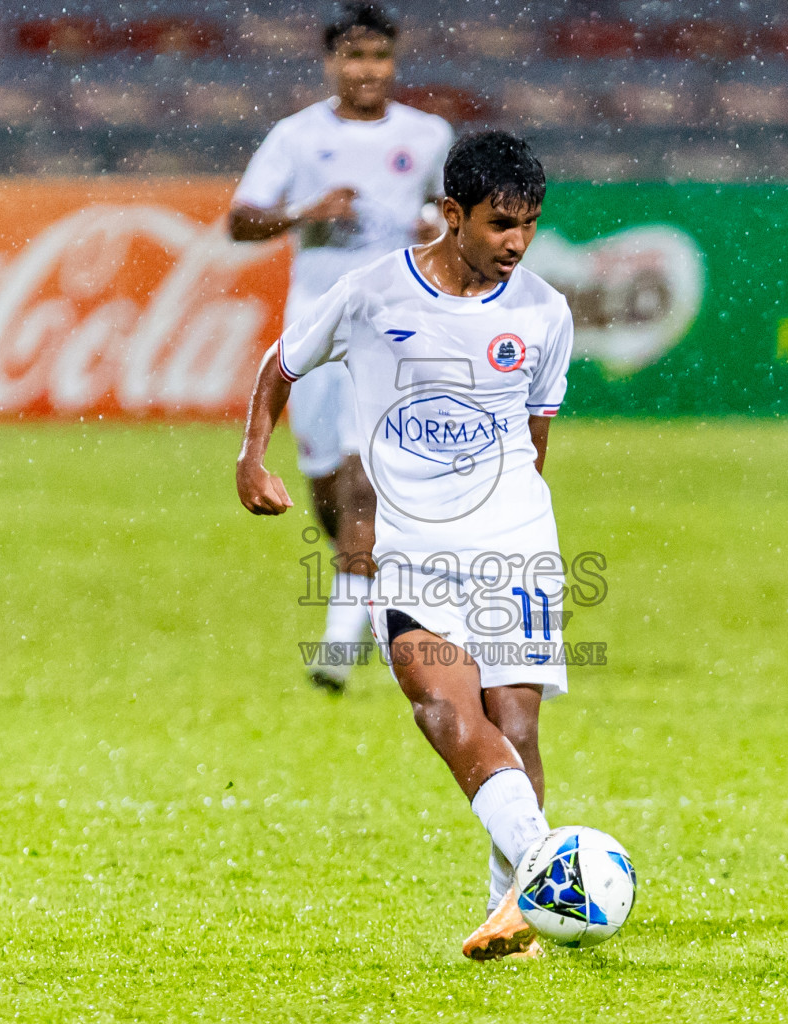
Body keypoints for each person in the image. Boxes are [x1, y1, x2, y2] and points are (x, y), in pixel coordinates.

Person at [237, 130, 576, 960]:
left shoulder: (543, 312)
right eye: (501, 223)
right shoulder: (372, 295)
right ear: (451, 213)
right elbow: (281, 365)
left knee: (516, 726)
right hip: (414, 554)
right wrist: (251, 457)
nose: (517, 243)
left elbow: (535, 442)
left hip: (514, 546)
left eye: (529, 224)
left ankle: (516, 918)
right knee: (442, 713)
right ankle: (552, 871)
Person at [229, 1, 454, 694]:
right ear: (332, 63)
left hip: (393, 325)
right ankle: (367, 596)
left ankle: (337, 643)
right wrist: (305, 211)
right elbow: (240, 221)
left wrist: (434, 233)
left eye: (379, 57)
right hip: (318, 321)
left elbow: (456, 218)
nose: (367, 70)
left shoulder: (428, 133)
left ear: (394, 62)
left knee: (365, 477)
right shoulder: (297, 138)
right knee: (328, 483)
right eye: (354, 57)